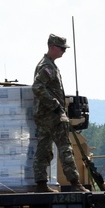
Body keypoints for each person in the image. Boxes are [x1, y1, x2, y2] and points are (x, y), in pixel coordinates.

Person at [31, 34, 88, 193]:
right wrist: (55, 105)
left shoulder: (49, 65)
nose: (64, 51)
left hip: (44, 117)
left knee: (43, 150)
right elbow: (37, 87)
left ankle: (41, 184)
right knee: (65, 149)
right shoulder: (47, 67)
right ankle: (75, 183)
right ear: (52, 47)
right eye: (61, 48)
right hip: (53, 117)